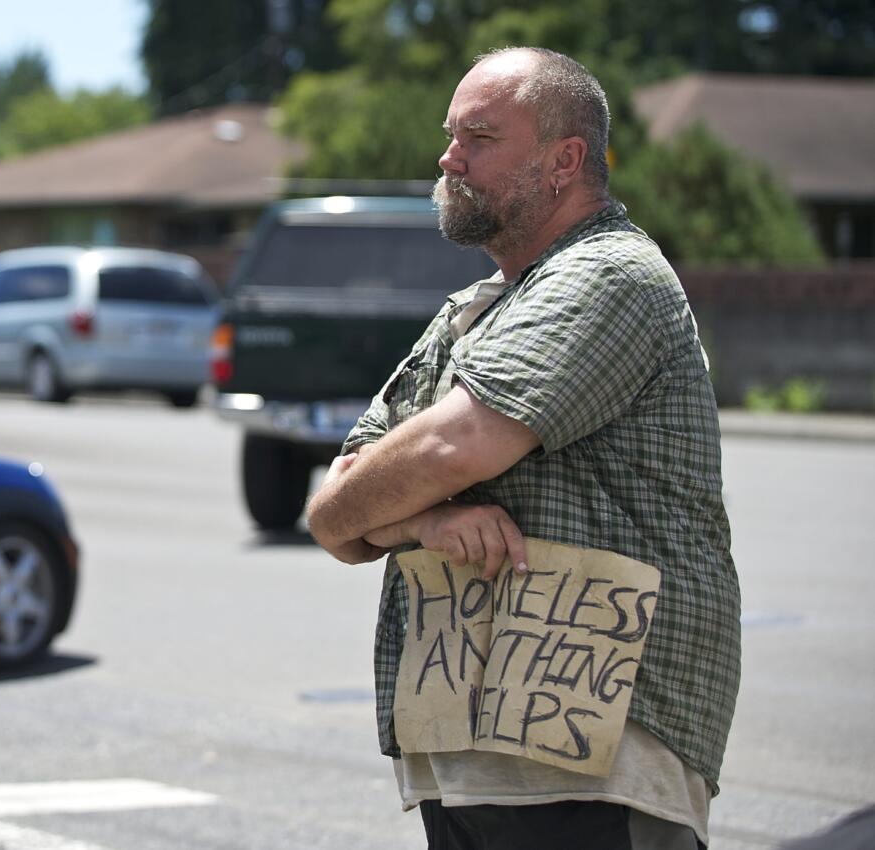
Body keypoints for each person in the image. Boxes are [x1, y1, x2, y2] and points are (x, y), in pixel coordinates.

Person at [306, 47, 741, 850]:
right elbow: (335, 512)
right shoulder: (476, 309)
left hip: (594, 758)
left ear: (564, 160)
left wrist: (396, 504)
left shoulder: (614, 275)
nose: (449, 157)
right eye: (450, 135)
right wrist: (420, 526)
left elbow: (451, 449)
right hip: (472, 746)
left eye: (479, 136)